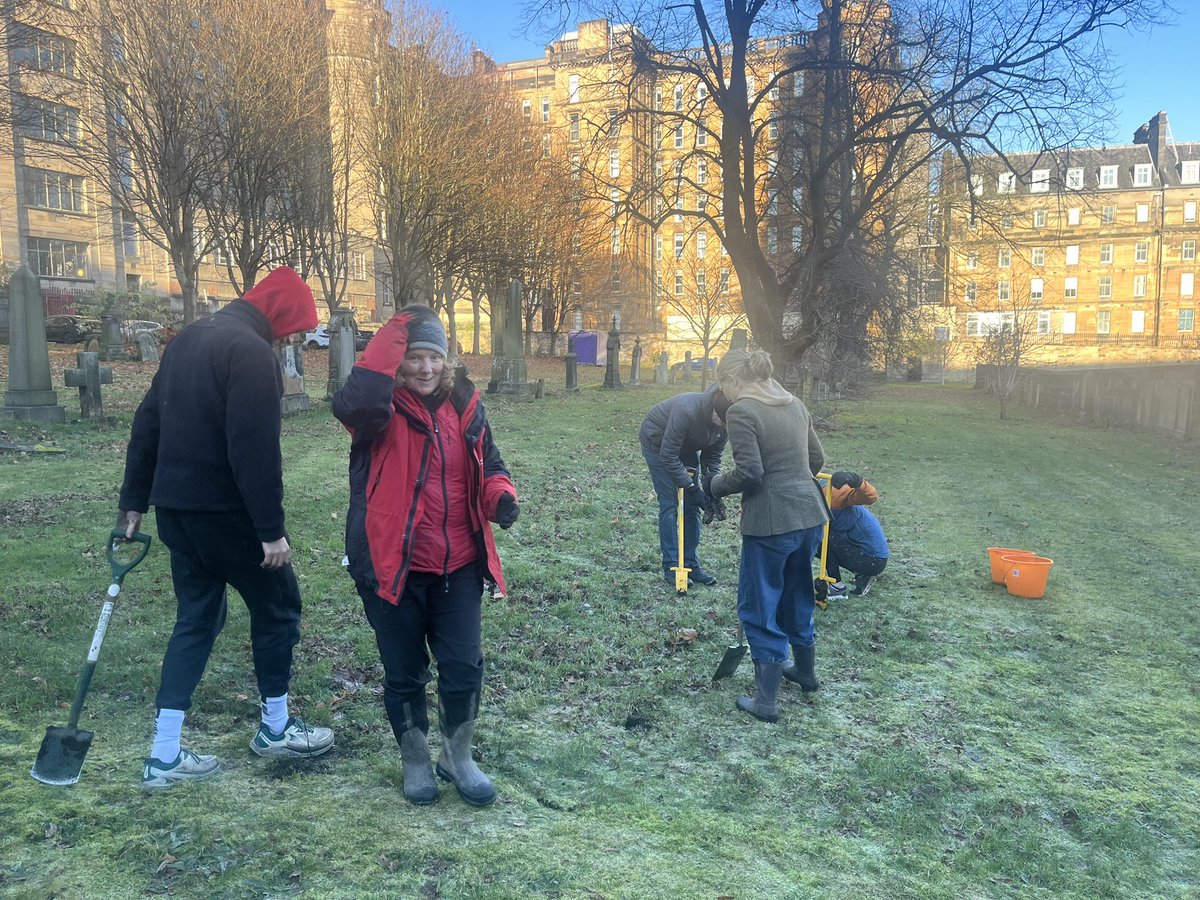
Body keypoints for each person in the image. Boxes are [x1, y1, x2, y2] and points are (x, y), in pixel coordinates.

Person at [116, 266, 334, 790]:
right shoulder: (252, 353)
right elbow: (253, 449)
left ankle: (163, 753)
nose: (292, 339)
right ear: (280, 314)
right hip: (229, 517)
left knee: (196, 619)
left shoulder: (188, 339)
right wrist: (270, 530)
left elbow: (148, 422)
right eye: (294, 328)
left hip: (177, 515)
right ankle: (276, 729)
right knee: (278, 609)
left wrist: (133, 503)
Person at [331, 305, 518, 807]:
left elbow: (490, 463)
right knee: (404, 669)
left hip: (456, 562)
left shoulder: (468, 408)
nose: (425, 368)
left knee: (463, 665)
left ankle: (457, 756)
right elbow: (351, 402)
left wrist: (499, 494)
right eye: (414, 357)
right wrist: (394, 332)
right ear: (398, 361)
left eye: (434, 357)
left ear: (448, 360)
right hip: (393, 565)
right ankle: (415, 757)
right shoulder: (378, 413)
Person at [709, 349, 827, 723]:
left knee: (760, 604)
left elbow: (750, 472)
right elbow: (816, 460)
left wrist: (714, 485)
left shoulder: (742, 411)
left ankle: (766, 702)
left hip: (770, 522)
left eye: (722, 386)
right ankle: (805, 672)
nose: (724, 395)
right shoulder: (794, 403)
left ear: (732, 380)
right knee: (798, 591)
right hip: (809, 514)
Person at [639, 384, 730, 586]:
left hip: (686, 445)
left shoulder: (725, 424)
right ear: (714, 411)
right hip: (658, 443)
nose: (723, 427)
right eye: (721, 421)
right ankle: (672, 566)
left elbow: (712, 458)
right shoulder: (687, 409)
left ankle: (691, 565)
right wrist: (691, 487)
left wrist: (711, 488)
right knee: (671, 503)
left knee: (691, 506)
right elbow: (668, 456)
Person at [825, 471, 889, 599]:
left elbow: (870, 496)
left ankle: (837, 587)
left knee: (820, 537)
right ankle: (862, 574)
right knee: (818, 537)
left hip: (873, 558)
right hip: (868, 554)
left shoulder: (833, 493)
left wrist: (857, 481)